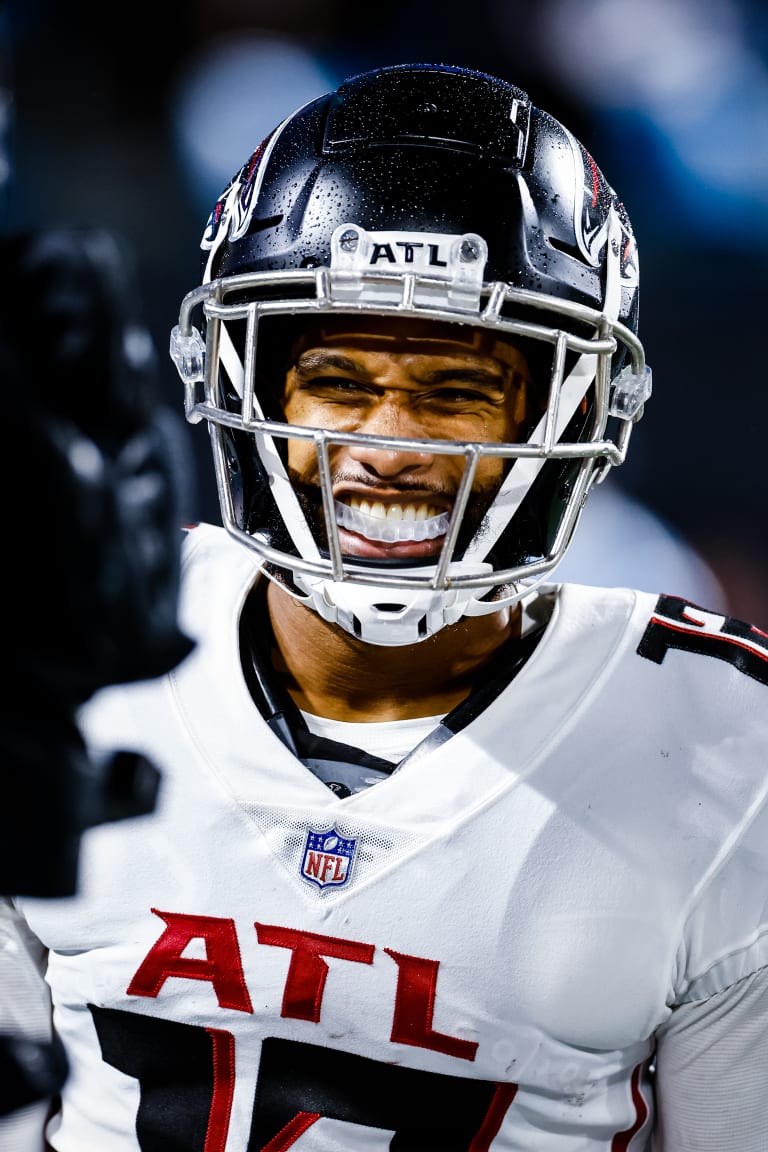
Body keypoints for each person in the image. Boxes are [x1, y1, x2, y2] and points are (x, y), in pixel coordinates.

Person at [2, 61, 767, 1151]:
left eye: (457, 391)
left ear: (577, 412)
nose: (390, 449)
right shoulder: (64, 654)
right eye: (341, 382)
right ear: (244, 380)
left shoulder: (732, 763)